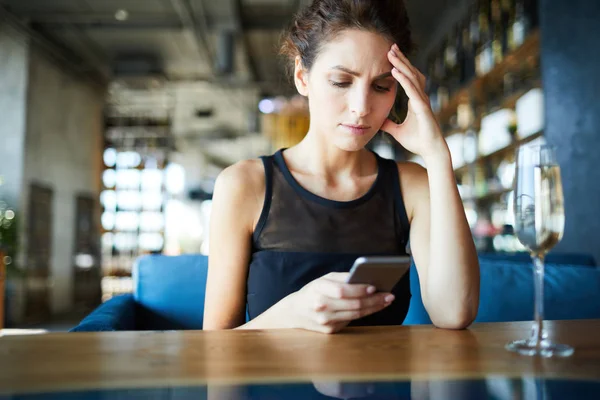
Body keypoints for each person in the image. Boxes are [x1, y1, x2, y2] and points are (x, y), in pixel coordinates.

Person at [203, 0, 480, 334]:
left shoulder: (413, 185)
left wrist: (437, 155)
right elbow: (215, 347)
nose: (361, 107)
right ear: (302, 77)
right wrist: (291, 313)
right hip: (274, 386)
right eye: (341, 81)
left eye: (381, 86)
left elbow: (454, 313)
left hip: (382, 384)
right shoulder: (245, 185)